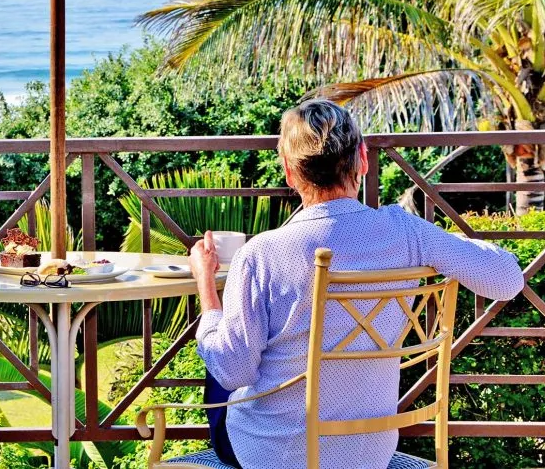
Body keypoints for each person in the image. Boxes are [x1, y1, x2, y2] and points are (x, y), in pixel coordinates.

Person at [188, 100, 524, 469]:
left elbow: (233, 373)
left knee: (219, 346)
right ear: (362, 159)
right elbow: (507, 280)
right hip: (370, 453)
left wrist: (207, 290)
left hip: (272, 455)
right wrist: (452, 244)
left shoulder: (261, 254)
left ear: (288, 170)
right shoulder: (406, 232)